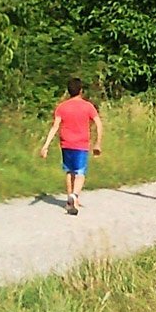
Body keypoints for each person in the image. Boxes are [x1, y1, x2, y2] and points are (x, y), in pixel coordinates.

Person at [40, 78, 103, 216]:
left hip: (66, 144)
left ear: (68, 91)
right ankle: (74, 196)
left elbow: (55, 126)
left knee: (69, 171)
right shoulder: (88, 106)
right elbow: (98, 123)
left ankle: (70, 201)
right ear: (81, 90)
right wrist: (98, 142)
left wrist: (45, 145)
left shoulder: (62, 107)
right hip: (81, 144)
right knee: (80, 173)